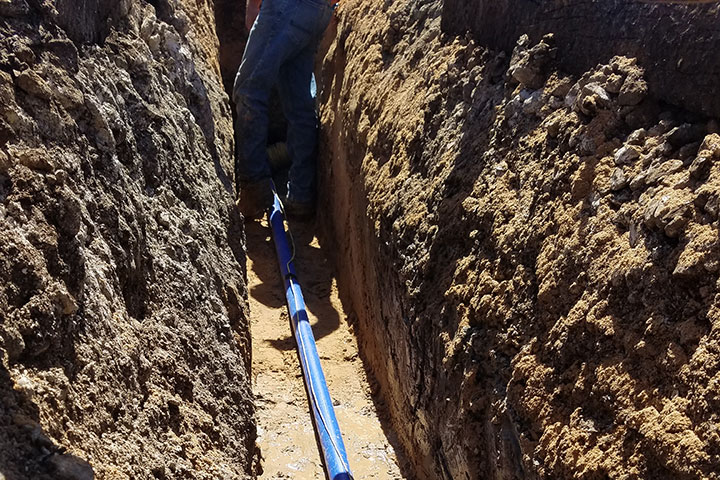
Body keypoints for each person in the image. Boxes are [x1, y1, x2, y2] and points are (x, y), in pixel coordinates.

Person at [233, 0, 334, 220]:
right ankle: (300, 195)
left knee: (249, 90)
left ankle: (254, 186)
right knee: (299, 103)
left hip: (287, 7)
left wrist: (253, 4)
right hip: (319, 11)